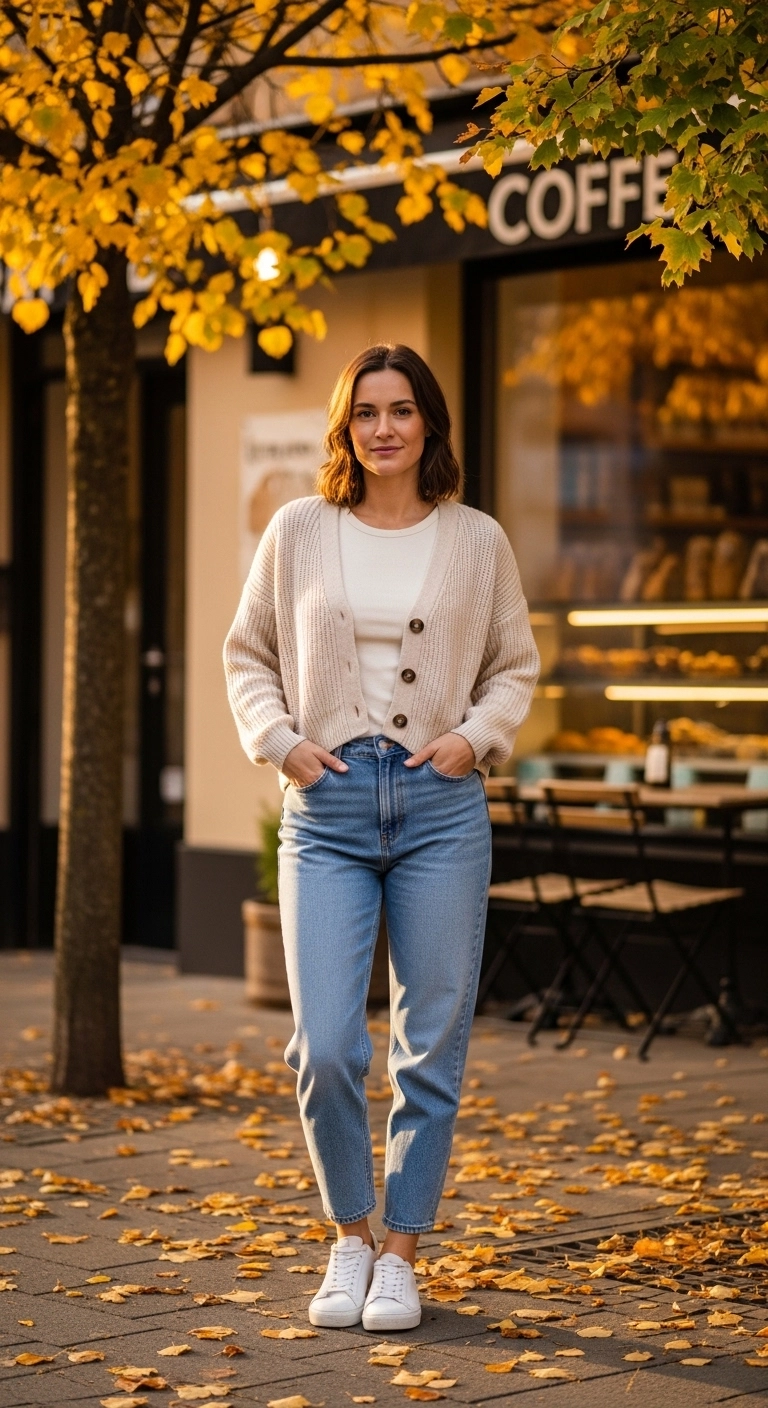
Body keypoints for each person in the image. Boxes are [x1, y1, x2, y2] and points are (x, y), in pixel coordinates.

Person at [224, 343, 539, 1333]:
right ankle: (348, 1235)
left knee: (429, 1048)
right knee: (322, 1046)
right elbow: (248, 653)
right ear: (345, 426)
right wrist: (280, 744)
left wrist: (474, 737)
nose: (385, 428)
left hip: (441, 807)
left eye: (403, 410)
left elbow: (514, 666)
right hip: (329, 807)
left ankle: (402, 1254)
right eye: (367, 412)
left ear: (430, 425)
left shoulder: (477, 539)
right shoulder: (299, 529)